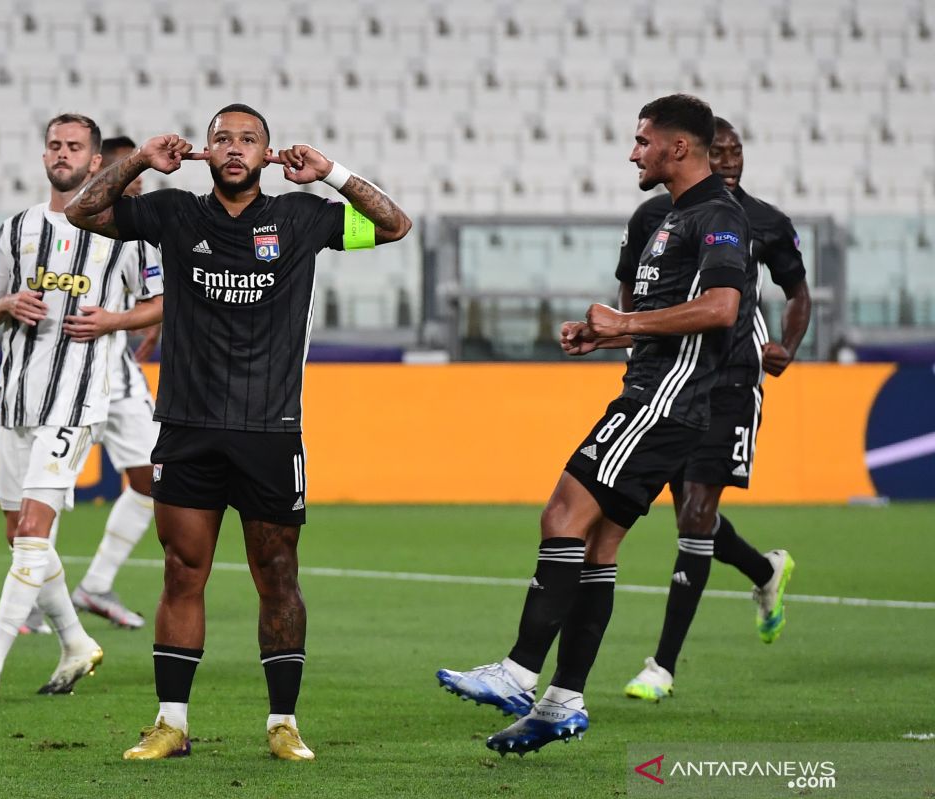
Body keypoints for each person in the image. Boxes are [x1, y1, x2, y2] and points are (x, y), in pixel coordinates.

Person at [66, 103, 412, 760]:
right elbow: (82, 212)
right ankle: (171, 723)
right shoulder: (172, 214)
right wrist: (141, 159)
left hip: (269, 431)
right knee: (180, 571)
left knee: (277, 573)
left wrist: (331, 172)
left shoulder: (303, 219)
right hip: (188, 428)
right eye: (221, 138)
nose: (234, 148)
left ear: (269, 155)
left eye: (248, 140)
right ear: (204, 150)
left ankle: (283, 723)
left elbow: (396, 226)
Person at [435, 94, 749, 756]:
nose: (633, 151)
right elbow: (662, 313)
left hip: (665, 402)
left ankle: (519, 672)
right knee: (598, 548)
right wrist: (604, 336)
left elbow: (723, 307)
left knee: (562, 515)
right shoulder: (666, 217)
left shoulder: (718, 215)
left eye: (642, 141)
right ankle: (563, 700)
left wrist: (627, 324)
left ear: (679, 148)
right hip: (655, 393)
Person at [0, 113, 162, 699]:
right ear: (44, 155)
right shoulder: (14, 229)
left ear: (96, 162)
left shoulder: (123, 234)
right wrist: (9, 305)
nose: (62, 153)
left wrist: (113, 320)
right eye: (54, 144)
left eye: (75, 146)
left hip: (76, 402)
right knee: (19, 535)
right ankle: (75, 641)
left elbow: (160, 302)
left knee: (32, 529)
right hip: (15, 399)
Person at [619, 117, 812, 702]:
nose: (729, 161)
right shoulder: (653, 215)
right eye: (720, 151)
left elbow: (797, 292)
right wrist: (638, 346)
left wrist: (788, 346)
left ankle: (662, 666)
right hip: (670, 383)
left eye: (737, 151)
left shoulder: (765, 222)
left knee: (697, 511)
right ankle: (764, 571)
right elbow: (630, 286)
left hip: (731, 380)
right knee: (689, 517)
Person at [69, 135, 166, 630]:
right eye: (129, 173)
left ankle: (95, 585)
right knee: (35, 495)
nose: (137, 185)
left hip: (115, 376)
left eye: (141, 176)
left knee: (153, 479)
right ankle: (28, 601)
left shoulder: (139, 231)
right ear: (98, 171)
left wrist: (141, 325)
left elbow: (153, 293)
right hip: (59, 377)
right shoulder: (60, 226)